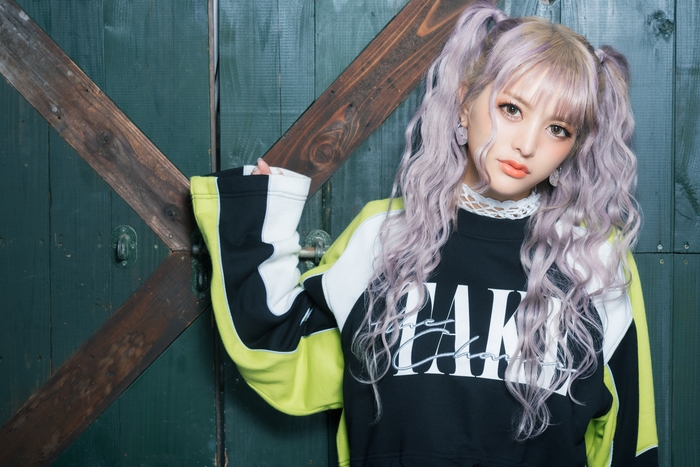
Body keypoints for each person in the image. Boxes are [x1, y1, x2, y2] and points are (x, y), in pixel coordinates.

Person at [191, 2, 658, 465]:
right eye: (511, 109)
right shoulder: (383, 235)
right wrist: (259, 217)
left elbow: (630, 437)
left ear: (575, 146)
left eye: (558, 128)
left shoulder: (595, 259)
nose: (528, 144)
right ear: (464, 103)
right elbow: (281, 350)